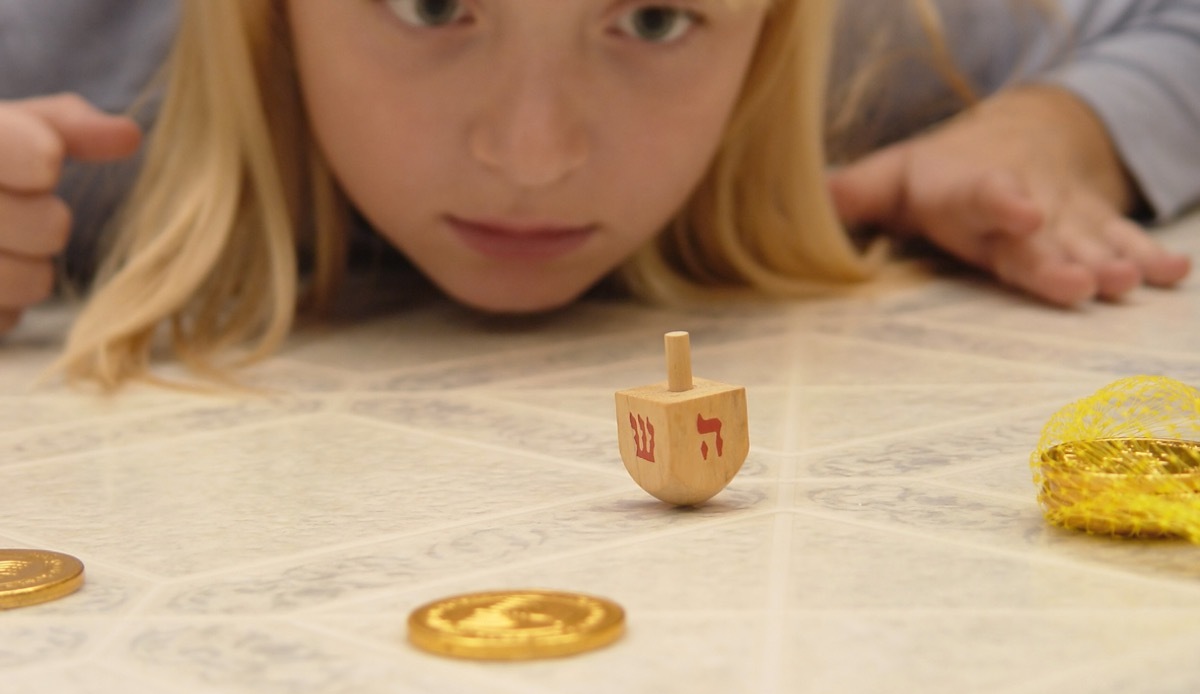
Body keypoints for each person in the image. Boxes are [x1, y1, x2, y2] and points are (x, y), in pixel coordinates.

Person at [0, 0, 1196, 388]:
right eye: (428, 4)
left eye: (655, 18)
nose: (534, 153)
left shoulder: (868, 55)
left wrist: (1062, 127)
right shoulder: (77, 64)